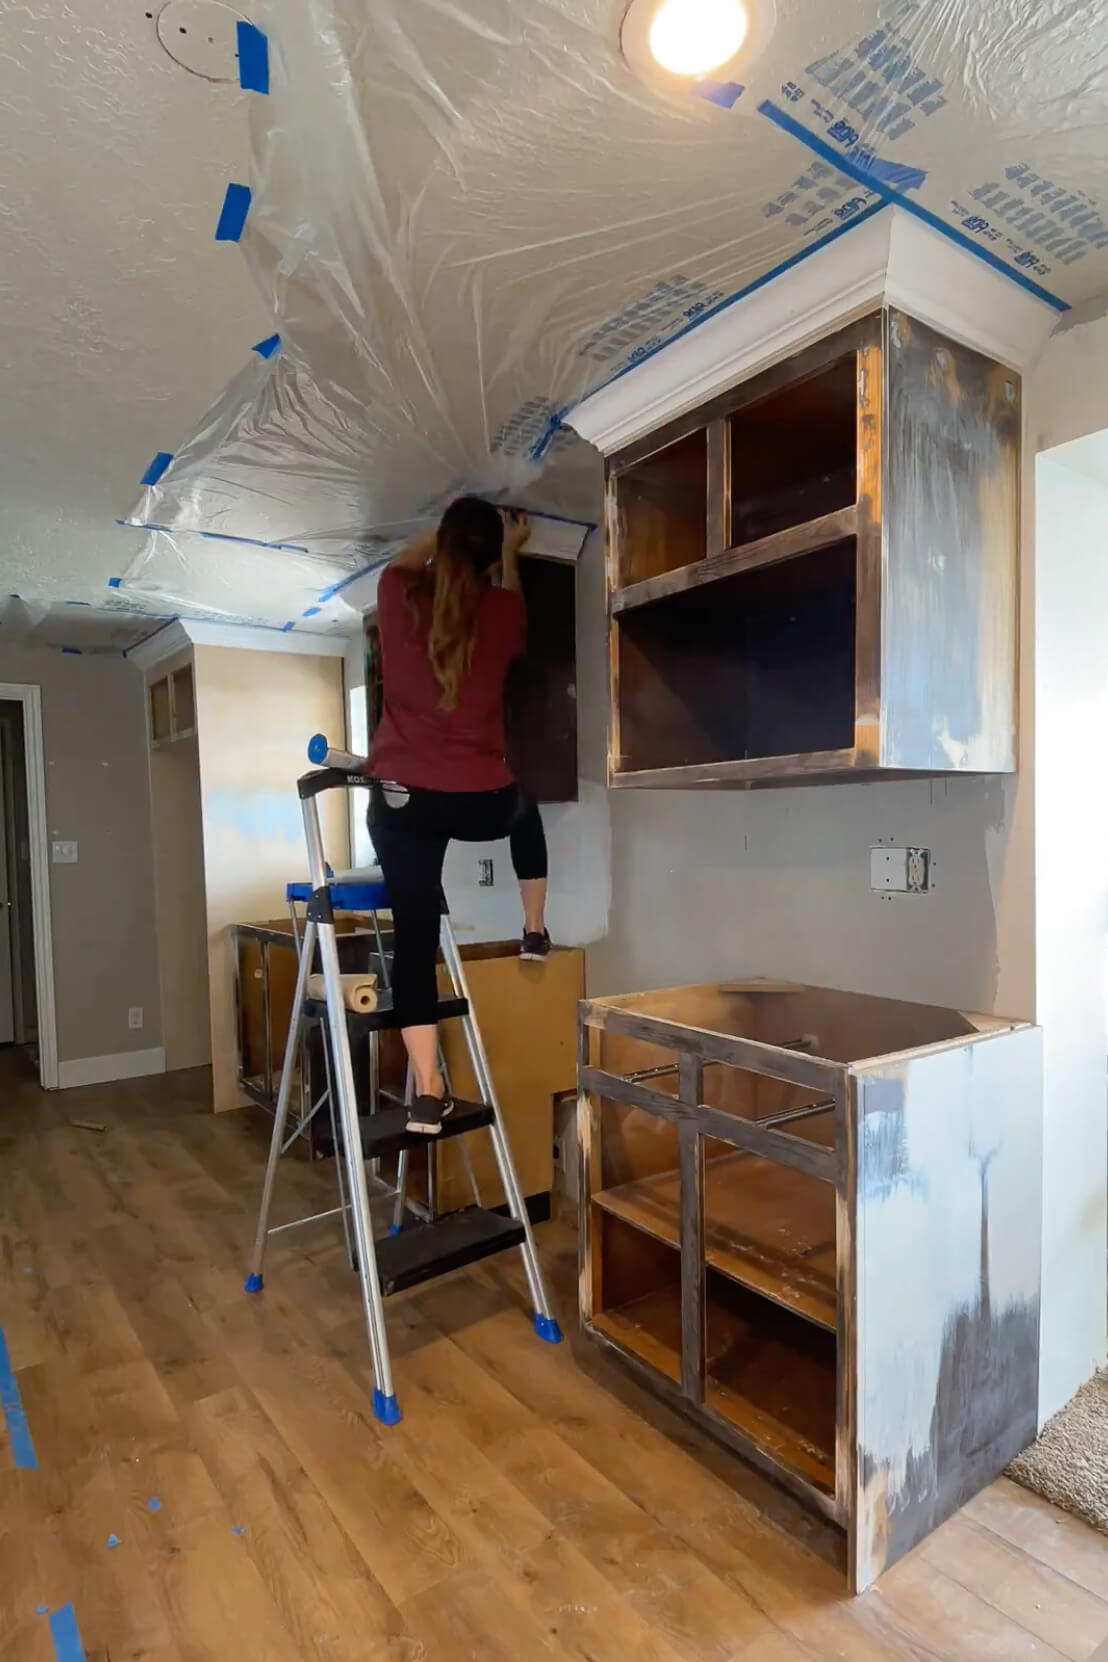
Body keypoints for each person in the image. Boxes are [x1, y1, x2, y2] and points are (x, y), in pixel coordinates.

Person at [367, 495, 550, 1135]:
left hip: (401, 801)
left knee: (415, 941)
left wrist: (436, 538)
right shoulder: (501, 611)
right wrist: (510, 551)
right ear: (487, 559)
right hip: (475, 797)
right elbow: (513, 612)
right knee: (526, 812)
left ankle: (427, 1091)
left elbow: (402, 559)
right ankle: (533, 930)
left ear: (443, 549)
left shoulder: (400, 595)